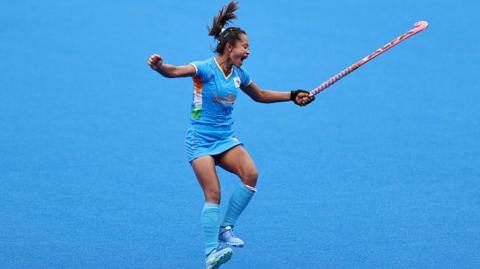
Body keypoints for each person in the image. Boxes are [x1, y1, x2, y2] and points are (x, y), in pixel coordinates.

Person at [147, 1, 315, 268]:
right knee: (213, 193)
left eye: (248, 48)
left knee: (251, 174)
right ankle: (211, 253)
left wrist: (292, 96)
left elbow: (259, 95)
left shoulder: (238, 73)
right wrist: (160, 67)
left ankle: (226, 228)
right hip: (200, 141)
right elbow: (175, 71)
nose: (248, 52)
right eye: (245, 47)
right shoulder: (204, 68)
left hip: (225, 139)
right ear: (229, 47)